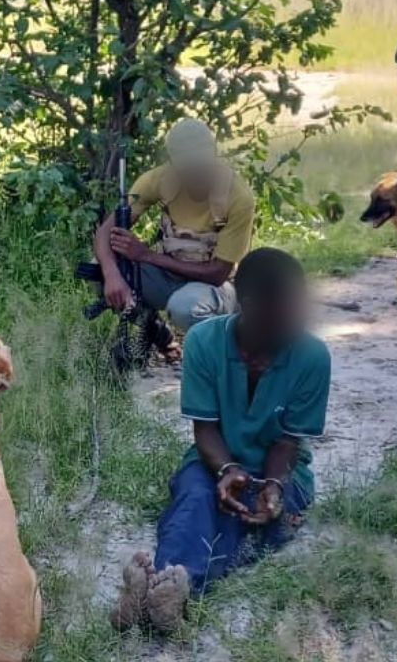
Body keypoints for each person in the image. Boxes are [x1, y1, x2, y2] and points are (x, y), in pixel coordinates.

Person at [109, 248, 330, 635]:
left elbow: (287, 443)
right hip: (212, 460)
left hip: (280, 472)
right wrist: (227, 469)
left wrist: (274, 487)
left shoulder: (312, 356)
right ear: (249, 306)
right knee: (195, 498)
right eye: (288, 308)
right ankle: (167, 591)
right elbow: (205, 430)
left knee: (254, 520)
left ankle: (165, 588)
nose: (300, 316)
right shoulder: (205, 342)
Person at [95, 118, 256, 335]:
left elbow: (218, 274)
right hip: (168, 277)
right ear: (173, 162)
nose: (194, 173)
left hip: (215, 288)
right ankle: (156, 333)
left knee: (184, 307)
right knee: (100, 272)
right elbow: (105, 233)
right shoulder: (158, 180)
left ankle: (220, 348)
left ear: (214, 153)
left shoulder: (238, 196)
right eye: (186, 166)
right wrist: (112, 275)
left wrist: (147, 256)